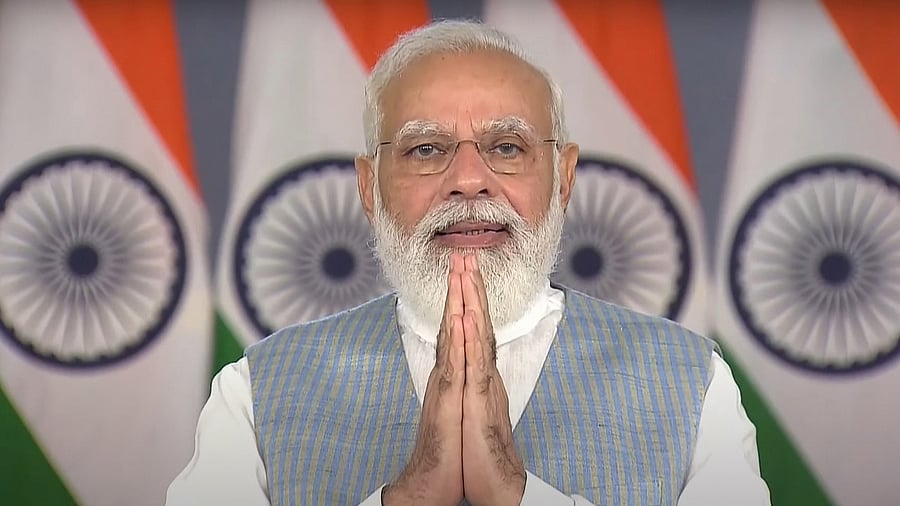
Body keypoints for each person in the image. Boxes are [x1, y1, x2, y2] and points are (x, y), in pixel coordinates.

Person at [167, 20, 770, 506]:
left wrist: (516, 493)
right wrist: (409, 498)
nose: (468, 180)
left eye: (506, 147)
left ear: (563, 178)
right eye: (426, 150)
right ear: (369, 187)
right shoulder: (255, 390)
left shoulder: (692, 382)